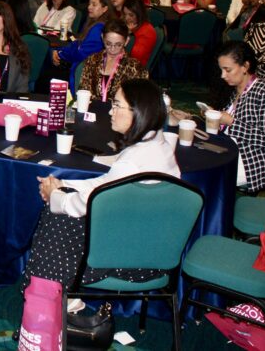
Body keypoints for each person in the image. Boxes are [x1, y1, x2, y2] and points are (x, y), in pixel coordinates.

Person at [23, 79, 180, 299]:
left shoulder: (133, 161)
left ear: (138, 112)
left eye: (117, 105)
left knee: (57, 217)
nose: (110, 112)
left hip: (132, 258)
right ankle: (54, 295)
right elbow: (106, 185)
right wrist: (64, 185)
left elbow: (88, 203)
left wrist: (55, 196)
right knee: (61, 208)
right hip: (153, 242)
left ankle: (47, 299)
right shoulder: (158, 145)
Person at [216, 41, 265, 193]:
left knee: (208, 171)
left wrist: (231, 122)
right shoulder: (232, 90)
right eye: (221, 70)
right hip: (228, 148)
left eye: (227, 70)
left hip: (252, 161)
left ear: (245, 66)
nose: (222, 75)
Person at [53, 0, 116, 90]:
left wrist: (60, 54)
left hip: (84, 72)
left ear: (105, 9)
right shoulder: (93, 23)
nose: (89, 7)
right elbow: (77, 43)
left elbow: (81, 53)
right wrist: (61, 51)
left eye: (94, 5)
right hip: (78, 65)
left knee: (47, 73)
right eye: (89, 4)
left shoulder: (99, 28)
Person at [78, 19, 148, 102]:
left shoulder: (135, 67)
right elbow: (83, 91)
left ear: (126, 41)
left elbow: (138, 100)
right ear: (102, 38)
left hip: (120, 112)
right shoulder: (92, 60)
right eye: (108, 44)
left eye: (118, 45)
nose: (112, 49)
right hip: (92, 111)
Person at [121, 0, 156, 67]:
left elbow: (135, 57)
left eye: (131, 15)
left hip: (135, 68)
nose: (127, 18)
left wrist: (127, 35)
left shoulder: (147, 31)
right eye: (125, 14)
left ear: (139, 14)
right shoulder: (135, 26)